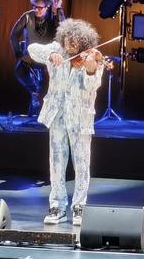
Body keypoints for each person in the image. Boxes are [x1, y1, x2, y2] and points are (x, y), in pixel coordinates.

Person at [27, 18, 109, 226]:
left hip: (80, 118)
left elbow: (92, 87)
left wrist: (90, 70)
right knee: (56, 163)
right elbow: (32, 49)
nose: (70, 45)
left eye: (75, 42)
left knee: (82, 164)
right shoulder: (57, 49)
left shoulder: (93, 57)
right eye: (67, 40)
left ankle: (79, 207)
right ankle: (57, 206)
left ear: (84, 42)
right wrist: (50, 55)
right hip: (57, 115)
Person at [9, 0, 63, 116]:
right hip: (31, 56)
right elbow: (14, 35)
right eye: (34, 6)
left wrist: (59, 8)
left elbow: (64, 29)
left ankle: (44, 107)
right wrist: (19, 54)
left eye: (40, 7)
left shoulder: (54, 17)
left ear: (47, 7)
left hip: (48, 57)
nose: (36, 10)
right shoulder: (27, 16)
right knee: (19, 70)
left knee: (50, 78)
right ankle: (35, 90)